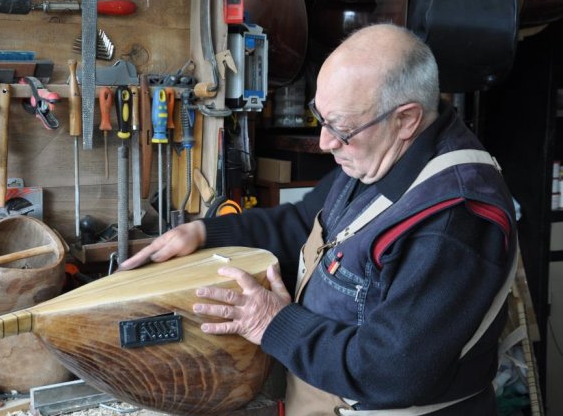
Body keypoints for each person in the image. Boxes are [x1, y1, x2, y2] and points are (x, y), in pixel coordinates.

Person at [119, 23, 517, 415]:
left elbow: (389, 372)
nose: (326, 143)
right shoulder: (377, 155)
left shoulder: (451, 221)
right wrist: (205, 232)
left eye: (341, 128)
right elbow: (302, 224)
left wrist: (273, 323)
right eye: (320, 118)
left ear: (406, 120)